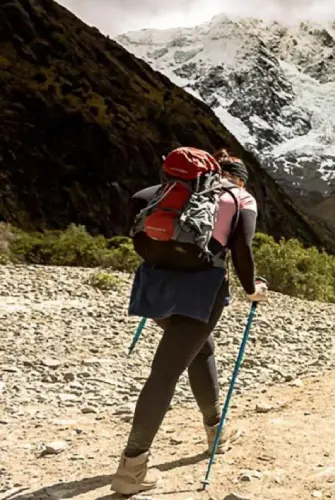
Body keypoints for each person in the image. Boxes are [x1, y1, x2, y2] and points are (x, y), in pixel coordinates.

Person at [111, 148, 267, 496]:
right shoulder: (241, 199)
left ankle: (216, 429)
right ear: (239, 177)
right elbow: (241, 249)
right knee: (166, 370)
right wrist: (252, 287)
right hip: (201, 292)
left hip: (154, 290)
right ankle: (132, 468)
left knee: (199, 347)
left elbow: (136, 229)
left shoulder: (157, 194)